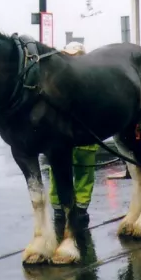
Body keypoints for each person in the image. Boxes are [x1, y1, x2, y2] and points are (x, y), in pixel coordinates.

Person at [47, 41, 99, 223]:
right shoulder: (91, 80)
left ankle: (76, 210)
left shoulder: (58, 80)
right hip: (77, 140)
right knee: (63, 173)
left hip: (82, 140)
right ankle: (64, 210)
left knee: (76, 174)